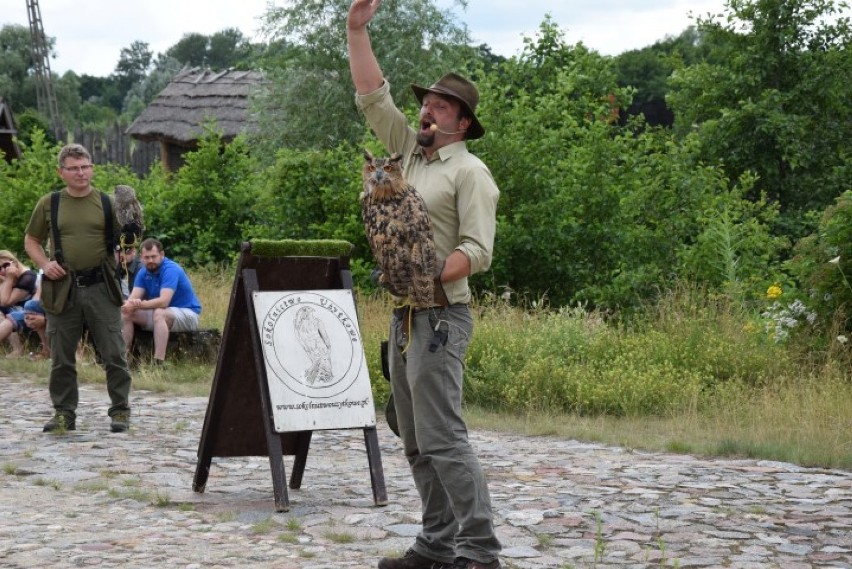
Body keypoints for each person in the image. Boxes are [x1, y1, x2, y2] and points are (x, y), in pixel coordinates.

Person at [346, 2, 502, 568]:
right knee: (413, 439)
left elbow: (477, 252)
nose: (428, 110)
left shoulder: (470, 172)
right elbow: (372, 94)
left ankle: (480, 551)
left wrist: (426, 271)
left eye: (442, 105)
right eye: (427, 103)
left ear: (462, 122)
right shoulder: (406, 152)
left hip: (441, 316)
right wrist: (356, 29)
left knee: (443, 438)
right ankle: (435, 545)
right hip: (405, 318)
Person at [24, 143, 133, 433]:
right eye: (73, 168)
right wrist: (45, 265)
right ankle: (63, 413)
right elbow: (31, 241)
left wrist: (127, 250)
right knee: (61, 356)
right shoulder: (50, 203)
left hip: (101, 285)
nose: (81, 173)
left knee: (113, 352)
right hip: (62, 288)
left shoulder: (109, 203)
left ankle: (120, 411)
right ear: (61, 172)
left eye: (85, 166)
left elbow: (126, 245)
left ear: (92, 168)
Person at [121, 238, 201, 365]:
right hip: (163, 314)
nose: (150, 260)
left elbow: (164, 301)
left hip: (188, 313)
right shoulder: (143, 273)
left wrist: (139, 304)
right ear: (141, 257)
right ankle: (122, 360)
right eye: (147, 257)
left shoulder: (171, 269)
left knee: (159, 312)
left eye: (154, 256)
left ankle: (158, 362)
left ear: (162, 255)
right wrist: (128, 305)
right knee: (127, 313)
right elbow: (132, 299)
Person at [0, 251, 38, 356]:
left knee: (4, 313)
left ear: (14, 262)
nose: (4, 270)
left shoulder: (27, 277)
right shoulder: (9, 276)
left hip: (30, 310)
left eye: (6, 265)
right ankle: (17, 349)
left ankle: (17, 350)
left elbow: (5, 302)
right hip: (15, 309)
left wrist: (8, 279)